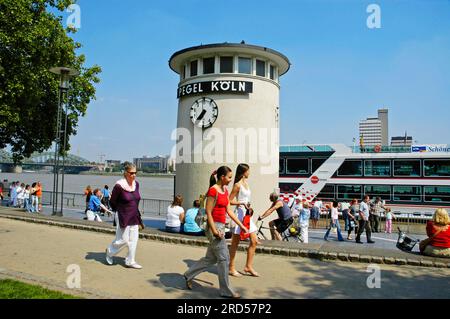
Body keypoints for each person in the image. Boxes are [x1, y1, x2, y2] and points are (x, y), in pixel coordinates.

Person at [184, 166, 248, 299]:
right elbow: (208, 212)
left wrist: (241, 225)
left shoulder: (224, 190)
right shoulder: (213, 191)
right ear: (222, 177)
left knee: (211, 259)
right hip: (214, 228)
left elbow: (228, 211)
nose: (231, 180)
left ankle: (188, 274)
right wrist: (214, 231)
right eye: (229, 177)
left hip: (220, 227)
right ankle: (226, 290)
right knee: (224, 258)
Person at [105, 162, 143, 269]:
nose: (134, 175)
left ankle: (130, 261)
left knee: (134, 240)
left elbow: (136, 200)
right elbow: (112, 202)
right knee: (123, 240)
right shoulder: (119, 186)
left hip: (134, 215)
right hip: (123, 215)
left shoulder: (137, 184)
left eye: (135, 173)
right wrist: (119, 211)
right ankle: (109, 251)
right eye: (131, 173)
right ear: (126, 173)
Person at [228, 163, 259, 278]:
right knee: (235, 243)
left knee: (254, 241)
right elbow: (229, 201)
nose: (249, 173)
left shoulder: (246, 183)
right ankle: (231, 267)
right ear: (243, 172)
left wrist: (248, 206)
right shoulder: (237, 185)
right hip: (239, 215)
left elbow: (246, 199)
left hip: (246, 215)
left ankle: (248, 266)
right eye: (248, 171)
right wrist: (241, 203)